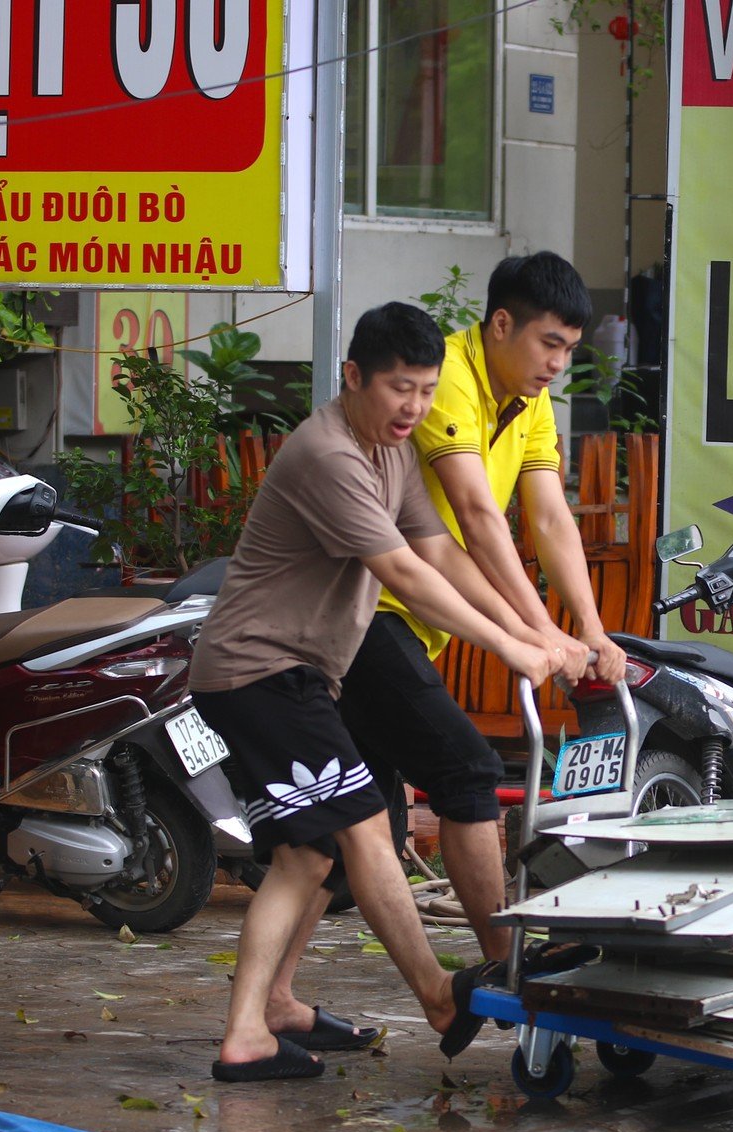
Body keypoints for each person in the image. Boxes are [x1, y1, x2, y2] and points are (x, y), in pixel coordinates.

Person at [188, 302, 563, 1082]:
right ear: (353, 376)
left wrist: (530, 634)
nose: (415, 409)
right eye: (400, 388)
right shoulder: (329, 455)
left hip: (295, 674)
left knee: (307, 854)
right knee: (362, 827)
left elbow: (443, 555)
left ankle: (259, 1022)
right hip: (260, 673)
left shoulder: (393, 454)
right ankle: (436, 995)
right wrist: (509, 647)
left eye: (427, 391)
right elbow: (404, 577)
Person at [353, 252, 628, 875]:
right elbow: (477, 516)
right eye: (548, 344)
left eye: (570, 349)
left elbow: (552, 518)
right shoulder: (445, 375)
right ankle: (498, 951)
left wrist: (587, 626)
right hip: (369, 605)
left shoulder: (530, 401)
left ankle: (424, 971)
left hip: (422, 615)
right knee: (469, 774)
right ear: (501, 325)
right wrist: (540, 633)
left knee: (345, 839)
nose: (558, 364)